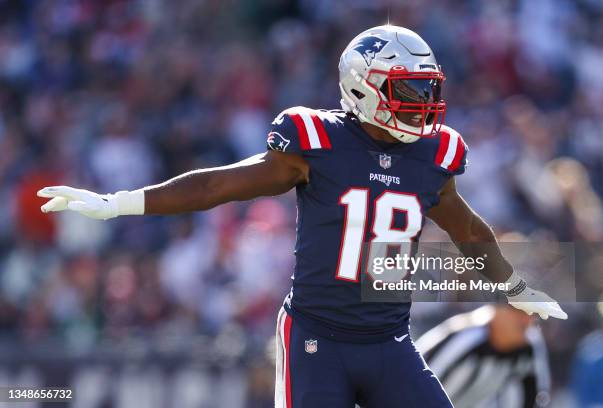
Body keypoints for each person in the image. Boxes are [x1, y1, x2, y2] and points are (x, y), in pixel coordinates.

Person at [37, 25, 566, 408]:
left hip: (389, 340)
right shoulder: (316, 143)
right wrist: (119, 202)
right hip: (318, 339)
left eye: (428, 89)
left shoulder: (433, 157)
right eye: (409, 89)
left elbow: (469, 231)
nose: (423, 103)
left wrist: (515, 286)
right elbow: (219, 184)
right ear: (364, 86)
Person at [416, 306, 551, 408]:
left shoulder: (529, 346)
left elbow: (533, 399)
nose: (528, 320)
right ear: (497, 310)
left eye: (532, 314)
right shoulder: (466, 338)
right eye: (520, 312)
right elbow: (415, 385)